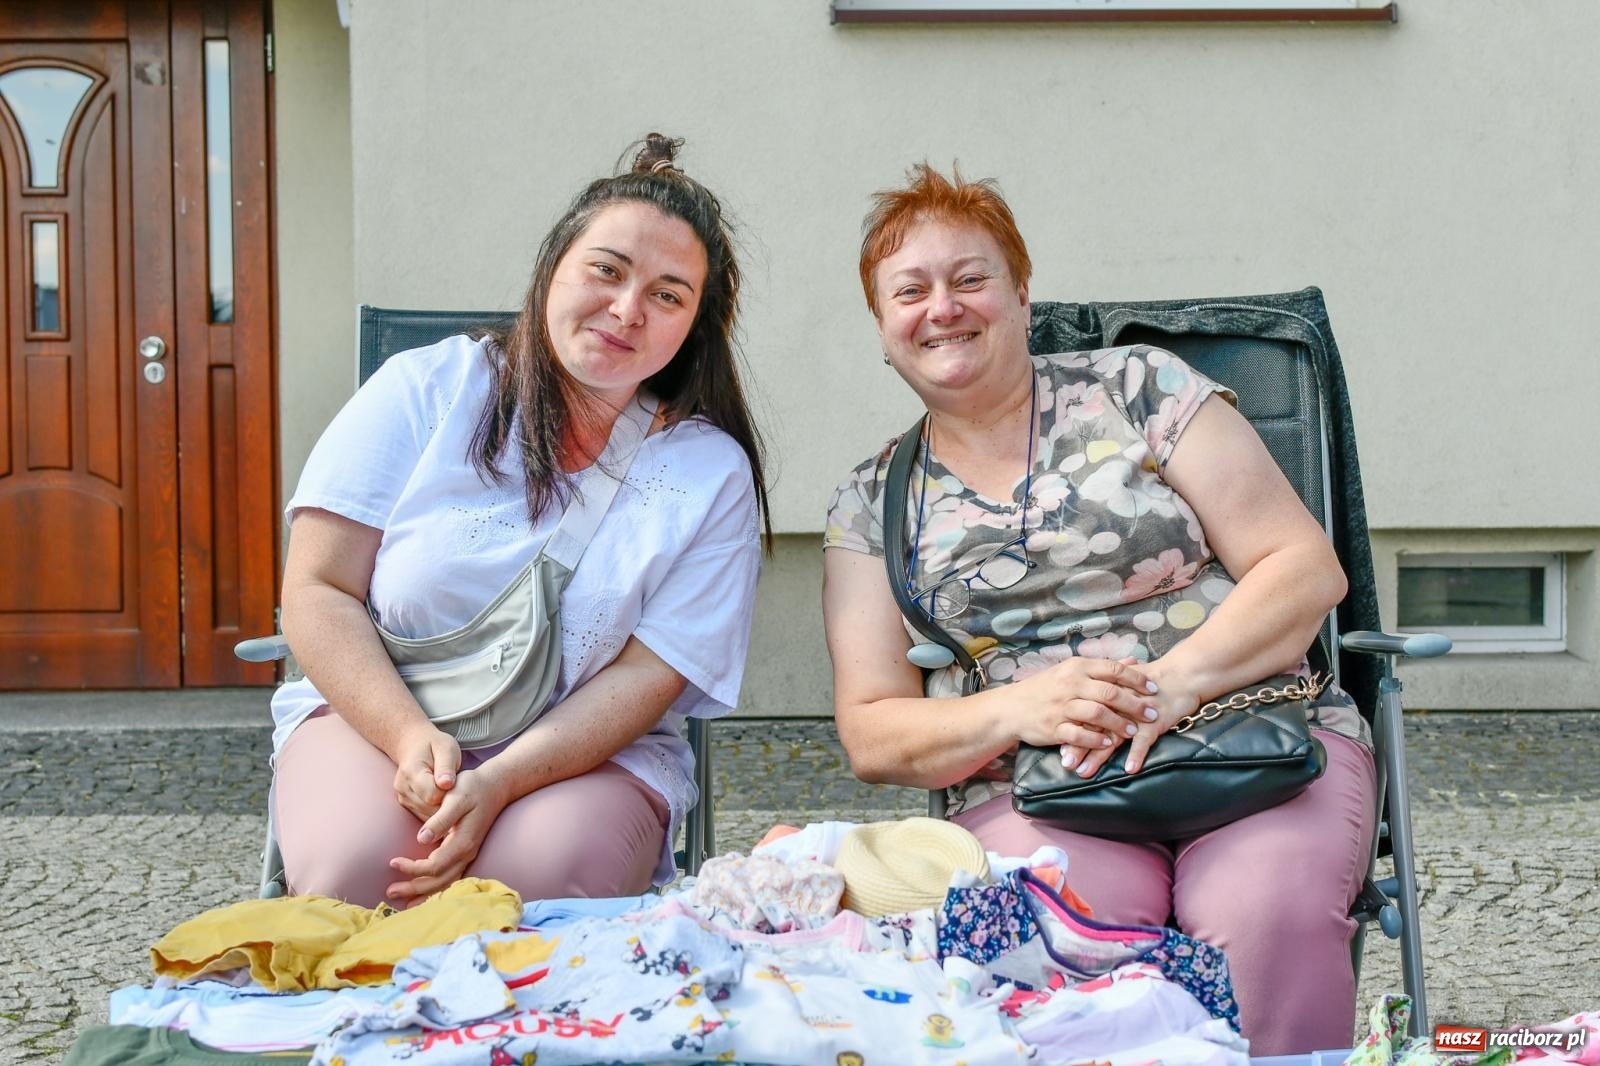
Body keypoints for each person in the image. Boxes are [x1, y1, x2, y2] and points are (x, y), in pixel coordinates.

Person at [821, 163, 1376, 1055]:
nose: (944, 307)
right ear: (883, 330)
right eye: (910, 291)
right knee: (1049, 930)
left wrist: (1167, 686)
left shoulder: (1137, 387)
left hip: (1251, 737)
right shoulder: (870, 501)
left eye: (971, 279)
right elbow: (873, 732)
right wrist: (1018, 708)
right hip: (1044, 788)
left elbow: (1304, 568)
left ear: (1020, 292)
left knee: (1261, 916)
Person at [271, 134, 770, 909]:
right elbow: (318, 586)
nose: (627, 309)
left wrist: (501, 779)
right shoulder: (425, 390)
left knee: (542, 883)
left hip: (588, 758)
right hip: (379, 718)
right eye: (607, 270)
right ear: (552, 269)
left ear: (693, 327)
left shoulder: (708, 475)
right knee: (362, 868)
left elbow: (646, 674)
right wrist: (408, 738)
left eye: (669, 295)